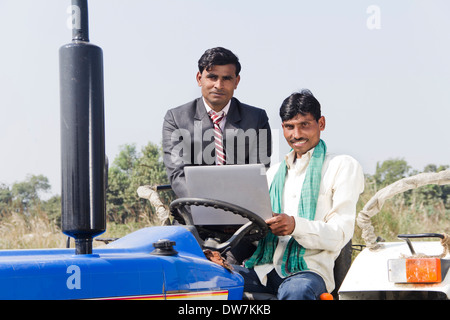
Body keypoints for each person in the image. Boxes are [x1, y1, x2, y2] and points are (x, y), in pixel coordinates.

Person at [234, 89, 365, 300]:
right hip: (262, 269)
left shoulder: (342, 166)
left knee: (296, 291)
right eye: (289, 127)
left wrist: (295, 226)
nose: (296, 135)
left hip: (308, 271)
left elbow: (340, 234)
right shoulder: (273, 172)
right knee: (209, 279)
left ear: (321, 124)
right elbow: (257, 231)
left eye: (304, 125)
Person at [162, 47, 272, 264]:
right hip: (194, 223)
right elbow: (177, 175)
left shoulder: (256, 118)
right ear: (199, 78)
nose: (218, 85)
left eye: (226, 78)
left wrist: (233, 214)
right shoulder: (176, 118)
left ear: (237, 81)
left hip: (242, 226)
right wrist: (211, 210)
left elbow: (259, 171)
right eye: (212, 77)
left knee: (230, 272)